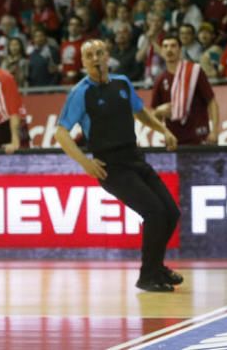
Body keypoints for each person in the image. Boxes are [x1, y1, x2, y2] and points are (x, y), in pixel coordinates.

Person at [55, 40, 182, 293]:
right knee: (155, 213)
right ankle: (148, 275)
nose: (95, 58)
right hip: (111, 166)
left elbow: (141, 112)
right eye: (89, 55)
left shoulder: (122, 82)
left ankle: (155, 266)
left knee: (171, 213)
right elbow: (61, 133)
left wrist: (163, 130)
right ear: (83, 62)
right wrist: (86, 163)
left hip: (134, 157)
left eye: (99, 53)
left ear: (107, 56)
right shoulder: (81, 92)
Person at [151, 34, 219, 145]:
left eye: (173, 46)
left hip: (199, 136)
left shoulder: (194, 72)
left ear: (180, 50)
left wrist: (215, 131)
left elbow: (212, 102)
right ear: (161, 51)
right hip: (175, 139)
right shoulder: (160, 80)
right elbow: (153, 115)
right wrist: (158, 112)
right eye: (165, 46)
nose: (169, 50)